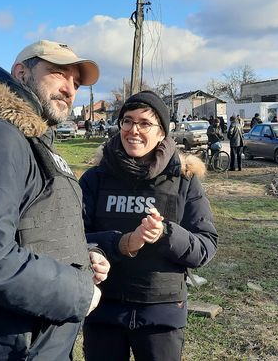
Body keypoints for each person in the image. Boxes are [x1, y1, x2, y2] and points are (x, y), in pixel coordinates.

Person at [0, 39, 110, 359]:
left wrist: (82, 255)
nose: (70, 88)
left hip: (35, 339)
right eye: (58, 73)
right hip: (5, 343)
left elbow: (34, 222)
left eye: (76, 82)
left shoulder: (29, 140)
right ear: (21, 72)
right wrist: (79, 291)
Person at [80, 91, 218, 361]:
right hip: (103, 306)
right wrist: (108, 246)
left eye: (145, 123)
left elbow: (206, 246)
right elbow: (74, 236)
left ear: (161, 133)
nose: (134, 130)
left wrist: (166, 233)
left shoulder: (184, 180)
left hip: (161, 312)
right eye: (127, 121)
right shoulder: (95, 178)